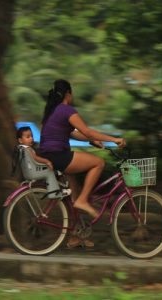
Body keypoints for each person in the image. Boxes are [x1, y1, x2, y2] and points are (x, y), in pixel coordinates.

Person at [39, 79, 126, 220]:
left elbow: (74, 133)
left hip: (47, 155)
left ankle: (75, 234)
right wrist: (114, 139)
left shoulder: (52, 111)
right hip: (58, 156)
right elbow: (86, 130)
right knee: (98, 162)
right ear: (68, 93)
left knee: (74, 192)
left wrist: (91, 140)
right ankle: (83, 200)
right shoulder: (67, 110)